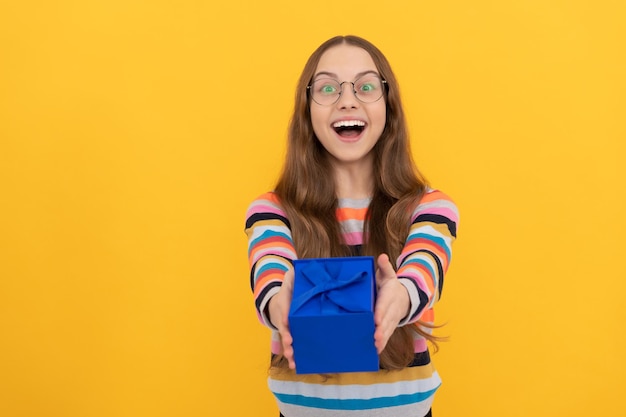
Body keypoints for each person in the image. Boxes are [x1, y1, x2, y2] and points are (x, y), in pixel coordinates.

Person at [244, 35, 459, 417]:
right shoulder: (271, 210)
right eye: (327, 87)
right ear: (306, 109)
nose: (347, 99)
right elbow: (269, 271)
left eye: (365, 86)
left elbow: (425, 266)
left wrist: (401, 296)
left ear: (388, 107)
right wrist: (282, 303)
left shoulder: (429, 206)